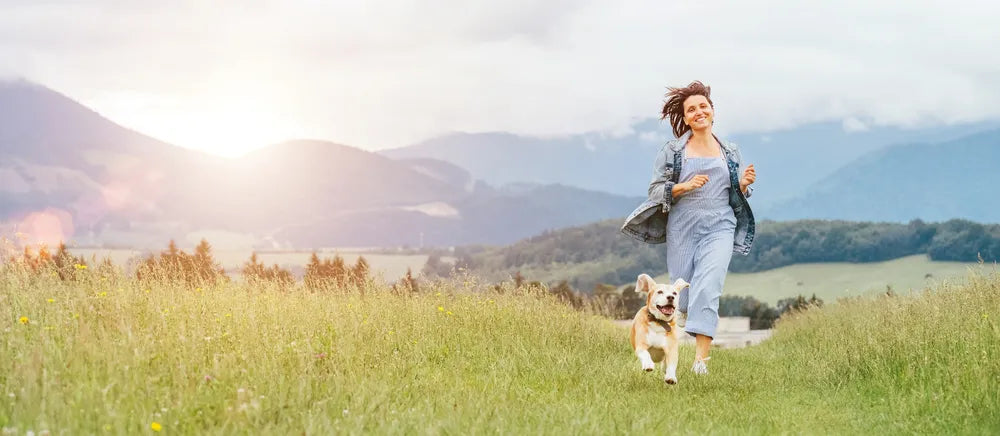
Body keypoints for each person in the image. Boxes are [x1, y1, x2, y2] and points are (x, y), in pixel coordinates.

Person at [621, 80, 757, 375]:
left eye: (703, 107)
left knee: (708, 287)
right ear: (685, 118)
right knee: (681, 296)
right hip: (682, 228)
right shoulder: (672, 151)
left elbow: (735, 193)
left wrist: (743, 186)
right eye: (691, 109)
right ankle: (677, 321)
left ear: (712, 112)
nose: (699, 112)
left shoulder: (729, 151)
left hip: (720, 225)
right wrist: (682, 187)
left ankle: (700, 362)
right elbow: (656, 190)